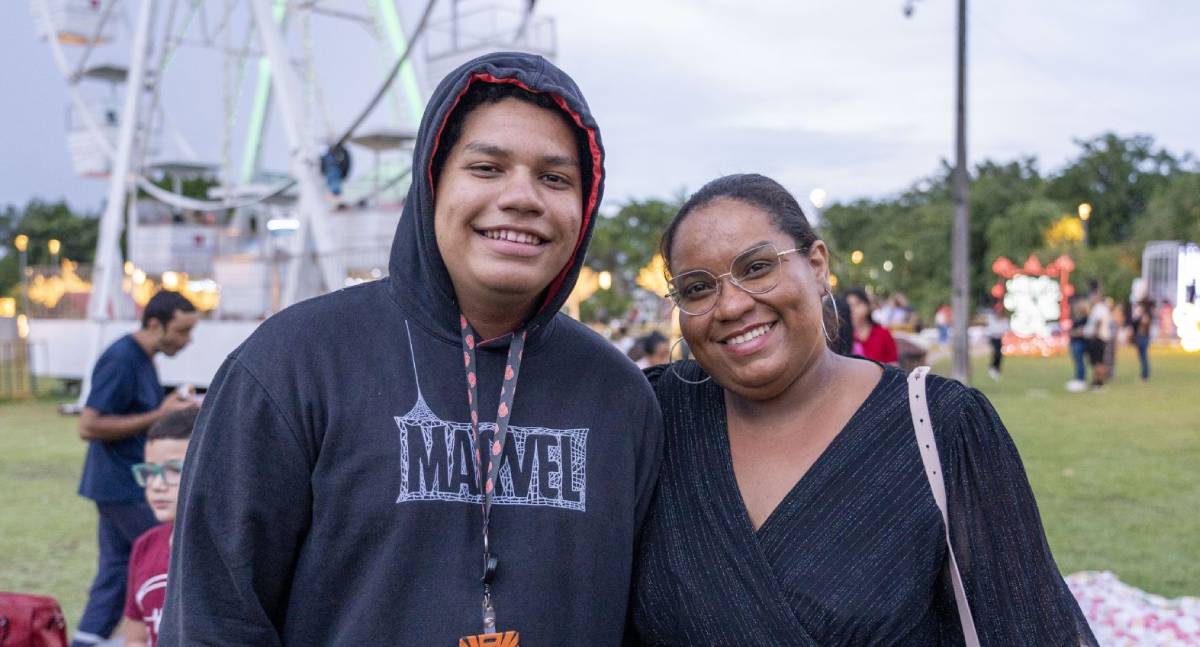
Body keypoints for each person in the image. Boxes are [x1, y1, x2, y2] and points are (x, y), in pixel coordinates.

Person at [161, 52, 662, 645]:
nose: (523, 197)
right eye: (487, 167)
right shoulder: (292, 366)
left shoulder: (618, 396)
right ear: (431, 183)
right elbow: (214, 619)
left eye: (555, 178)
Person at [632, 174, 1096, 645]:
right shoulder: (650, 420)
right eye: (697, 289)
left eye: (756, 268)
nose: (730, 305)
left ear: (816, 266)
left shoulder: (942, 427)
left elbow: (1027, 628)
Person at [72, 291, 198, 647]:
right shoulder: (121, 359)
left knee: (114, 575)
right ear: (155, 323)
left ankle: (84, 640)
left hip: (125, 483)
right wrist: (161, 414)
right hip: (127, 486)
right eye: (182, 331)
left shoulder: (144, 358)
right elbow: (88, 425)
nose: (187, 341)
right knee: (168, 564)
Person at [123, 408, 197, 647]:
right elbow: (136, 636)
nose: (156, 484)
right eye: (150, 471)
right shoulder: (145, 546)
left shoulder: (231, 551)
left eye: (174, 470)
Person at [845, 287, 898, 365]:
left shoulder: (883, 333)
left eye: (858, 304)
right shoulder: (843, 335)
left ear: (868, 306)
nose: (852, 309)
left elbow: (893, 364)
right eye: (848, 305)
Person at [1083, 286, 1112, 389]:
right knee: (1097, 361)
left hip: (1098, 338)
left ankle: (1098, 382)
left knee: (1098, 361)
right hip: (1099, 338)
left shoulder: (1099, 308)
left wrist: (1094, 334)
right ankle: (1097, 381)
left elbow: (1098, 322)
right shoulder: (1100, 308)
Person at [1066, 295, 1090, 392]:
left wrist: (1075, 333)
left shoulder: (1086, 319)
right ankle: (1078, 379)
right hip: (1075, 343)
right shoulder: (1077, 319)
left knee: (1080, 362)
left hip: (1079, 344)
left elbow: (1081, 332)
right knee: (1077, 362)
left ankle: (1081, 380)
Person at [985, 300, 1009, 381]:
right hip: (993, 337)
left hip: (999, 338)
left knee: (1000, 354)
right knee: (996, 353)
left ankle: (997, 369)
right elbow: (991, 329)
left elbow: (1006, 328)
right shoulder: (991, 318)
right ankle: (993, 368)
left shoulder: (1004, 319)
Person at [1131, 298, 1154, 381]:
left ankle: (1145, 375)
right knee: (1142, 356)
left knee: (1143, 356)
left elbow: (1143, 323)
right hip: (1141, 337)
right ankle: (1144, 374)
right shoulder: (1145, 313)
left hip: (1143, 337)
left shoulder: (1146, 314)